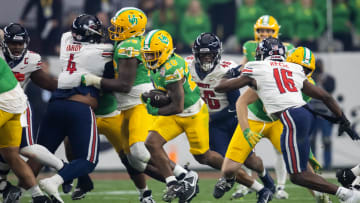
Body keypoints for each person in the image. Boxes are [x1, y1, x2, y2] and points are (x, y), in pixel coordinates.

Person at [214, 37, 360, 203]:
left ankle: (348, 195)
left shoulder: (257, 66)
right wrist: (344, 121)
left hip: (290, 119)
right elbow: (325, 96)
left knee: (298, 176)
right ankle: (342, 195)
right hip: (301, 116)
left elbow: (220, 86)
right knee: (301, 172)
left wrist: (230, 73)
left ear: (261, 53)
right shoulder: (293, 69)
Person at [25, 14, 112, 203]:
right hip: (79, 107)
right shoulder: (102, 51)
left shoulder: (66, 39)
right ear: (89, 34)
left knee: (38, 156)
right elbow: (116, 59)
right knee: (88, 160)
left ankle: (20, 193)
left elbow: (74, 36)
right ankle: (56, 179)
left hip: (56, 104)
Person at [186, 32, 276, 202]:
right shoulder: (187, 68)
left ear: (217, 54)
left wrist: (211, 117)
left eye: (210, 55)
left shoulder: (225, 70)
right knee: (226, 161)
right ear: (196, 54)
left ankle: (266, 179)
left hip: (231, 119)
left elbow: (236, 105)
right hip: (213, 124)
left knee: (251, 161)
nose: (206, 58)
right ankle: (248, 184)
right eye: (203, 55)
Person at [0, 23, 66, 202]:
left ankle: (62, 168)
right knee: (9, 153)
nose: (17, 47)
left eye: (20, 44)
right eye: (13, 43)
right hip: (10, 104)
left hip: (15, 105)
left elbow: (47, 83)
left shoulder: (30, 59)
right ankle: (21, 191)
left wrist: (73, 84)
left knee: (23, 148)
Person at [0, 57, 51, 203]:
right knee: (11, 154)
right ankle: (38, 196)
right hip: (18, 105)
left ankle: (3, 186)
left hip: (4, 103)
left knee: (17, 153)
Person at [309, 58, 336, 170]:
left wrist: (323, 81)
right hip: (313, 113)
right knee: (311, 140)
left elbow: (331, 89)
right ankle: (313, 164)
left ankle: (328, 164)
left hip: (325, 114)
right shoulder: (310, 78)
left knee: (326, 140)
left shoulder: (328, 78)